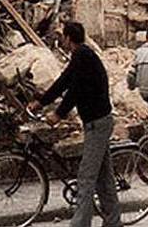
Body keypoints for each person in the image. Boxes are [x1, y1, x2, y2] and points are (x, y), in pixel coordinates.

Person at [27, 21, 122, 227]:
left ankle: (80, 224)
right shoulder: (81, 56)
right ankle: (113, 221)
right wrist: (41, 102)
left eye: (63, 36)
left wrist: (58, 114)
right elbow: (63, 81)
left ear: (69, 38)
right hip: (97, 122)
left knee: (86, 177)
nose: (62, 40)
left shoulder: (83, 56)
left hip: (98, 123)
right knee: (104, 177)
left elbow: (75, 90)